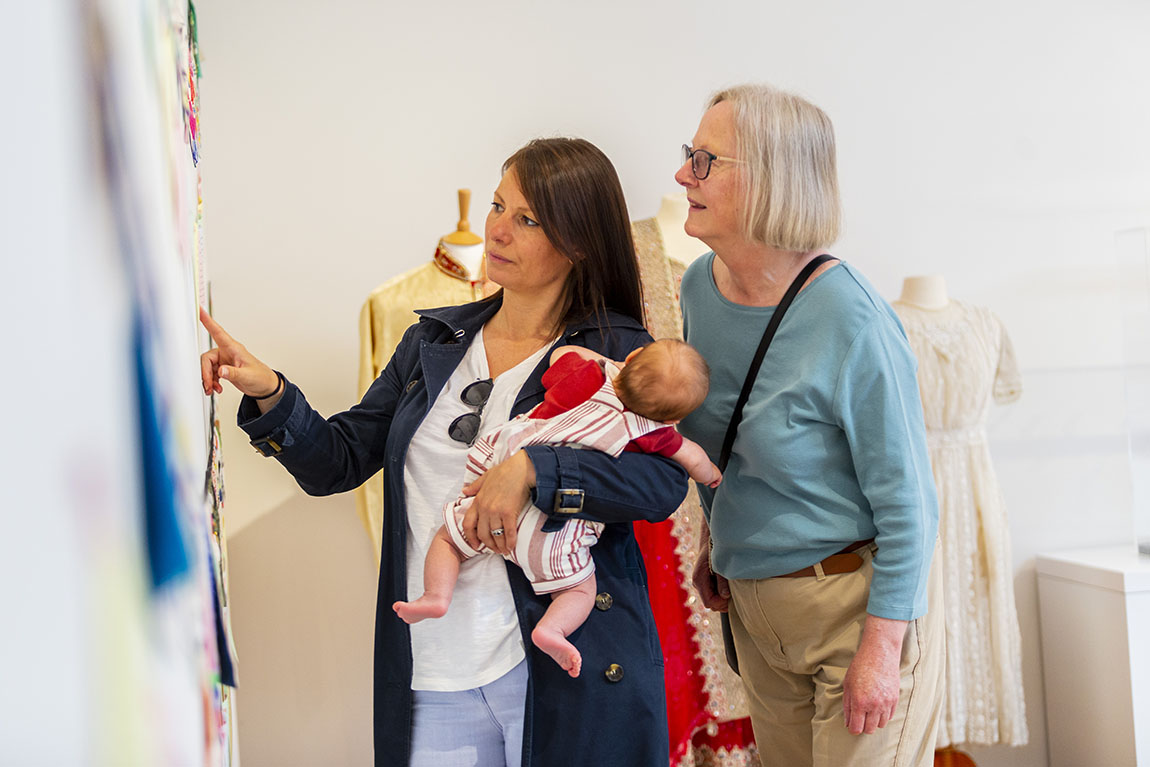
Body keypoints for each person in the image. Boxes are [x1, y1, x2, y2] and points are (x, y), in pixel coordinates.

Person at [199, 137, 689, 767]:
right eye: (497, 205)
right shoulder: (434, 340)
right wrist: (269, 392)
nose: (498, 230)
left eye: (527, 219)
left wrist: (537, 470)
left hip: (553, 665)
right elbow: (338, 462)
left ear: (579, 244)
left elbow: (661, 484)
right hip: (431, 670)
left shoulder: (615, 349)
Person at [676, 84, 944, 767]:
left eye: (706, 160)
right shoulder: (698, 289)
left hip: (853, 614)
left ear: (769, 180)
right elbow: (724, 441)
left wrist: (882, 649)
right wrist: (718, 535)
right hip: (756, 612)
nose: (683, 175)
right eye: (689, 155)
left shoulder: (851, 318)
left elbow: (911, 503)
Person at [393, 340, 721, 679]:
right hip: (555, 532)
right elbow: (693, 458)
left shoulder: (587, 378)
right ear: (674, 417)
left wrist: (605, 361)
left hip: (489, 495)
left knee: (447, 541)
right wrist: (711, 475)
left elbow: (560, 356)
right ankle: (552, 630)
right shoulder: (654, 435)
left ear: (633, 356)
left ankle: (436, 595)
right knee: (579, 589)